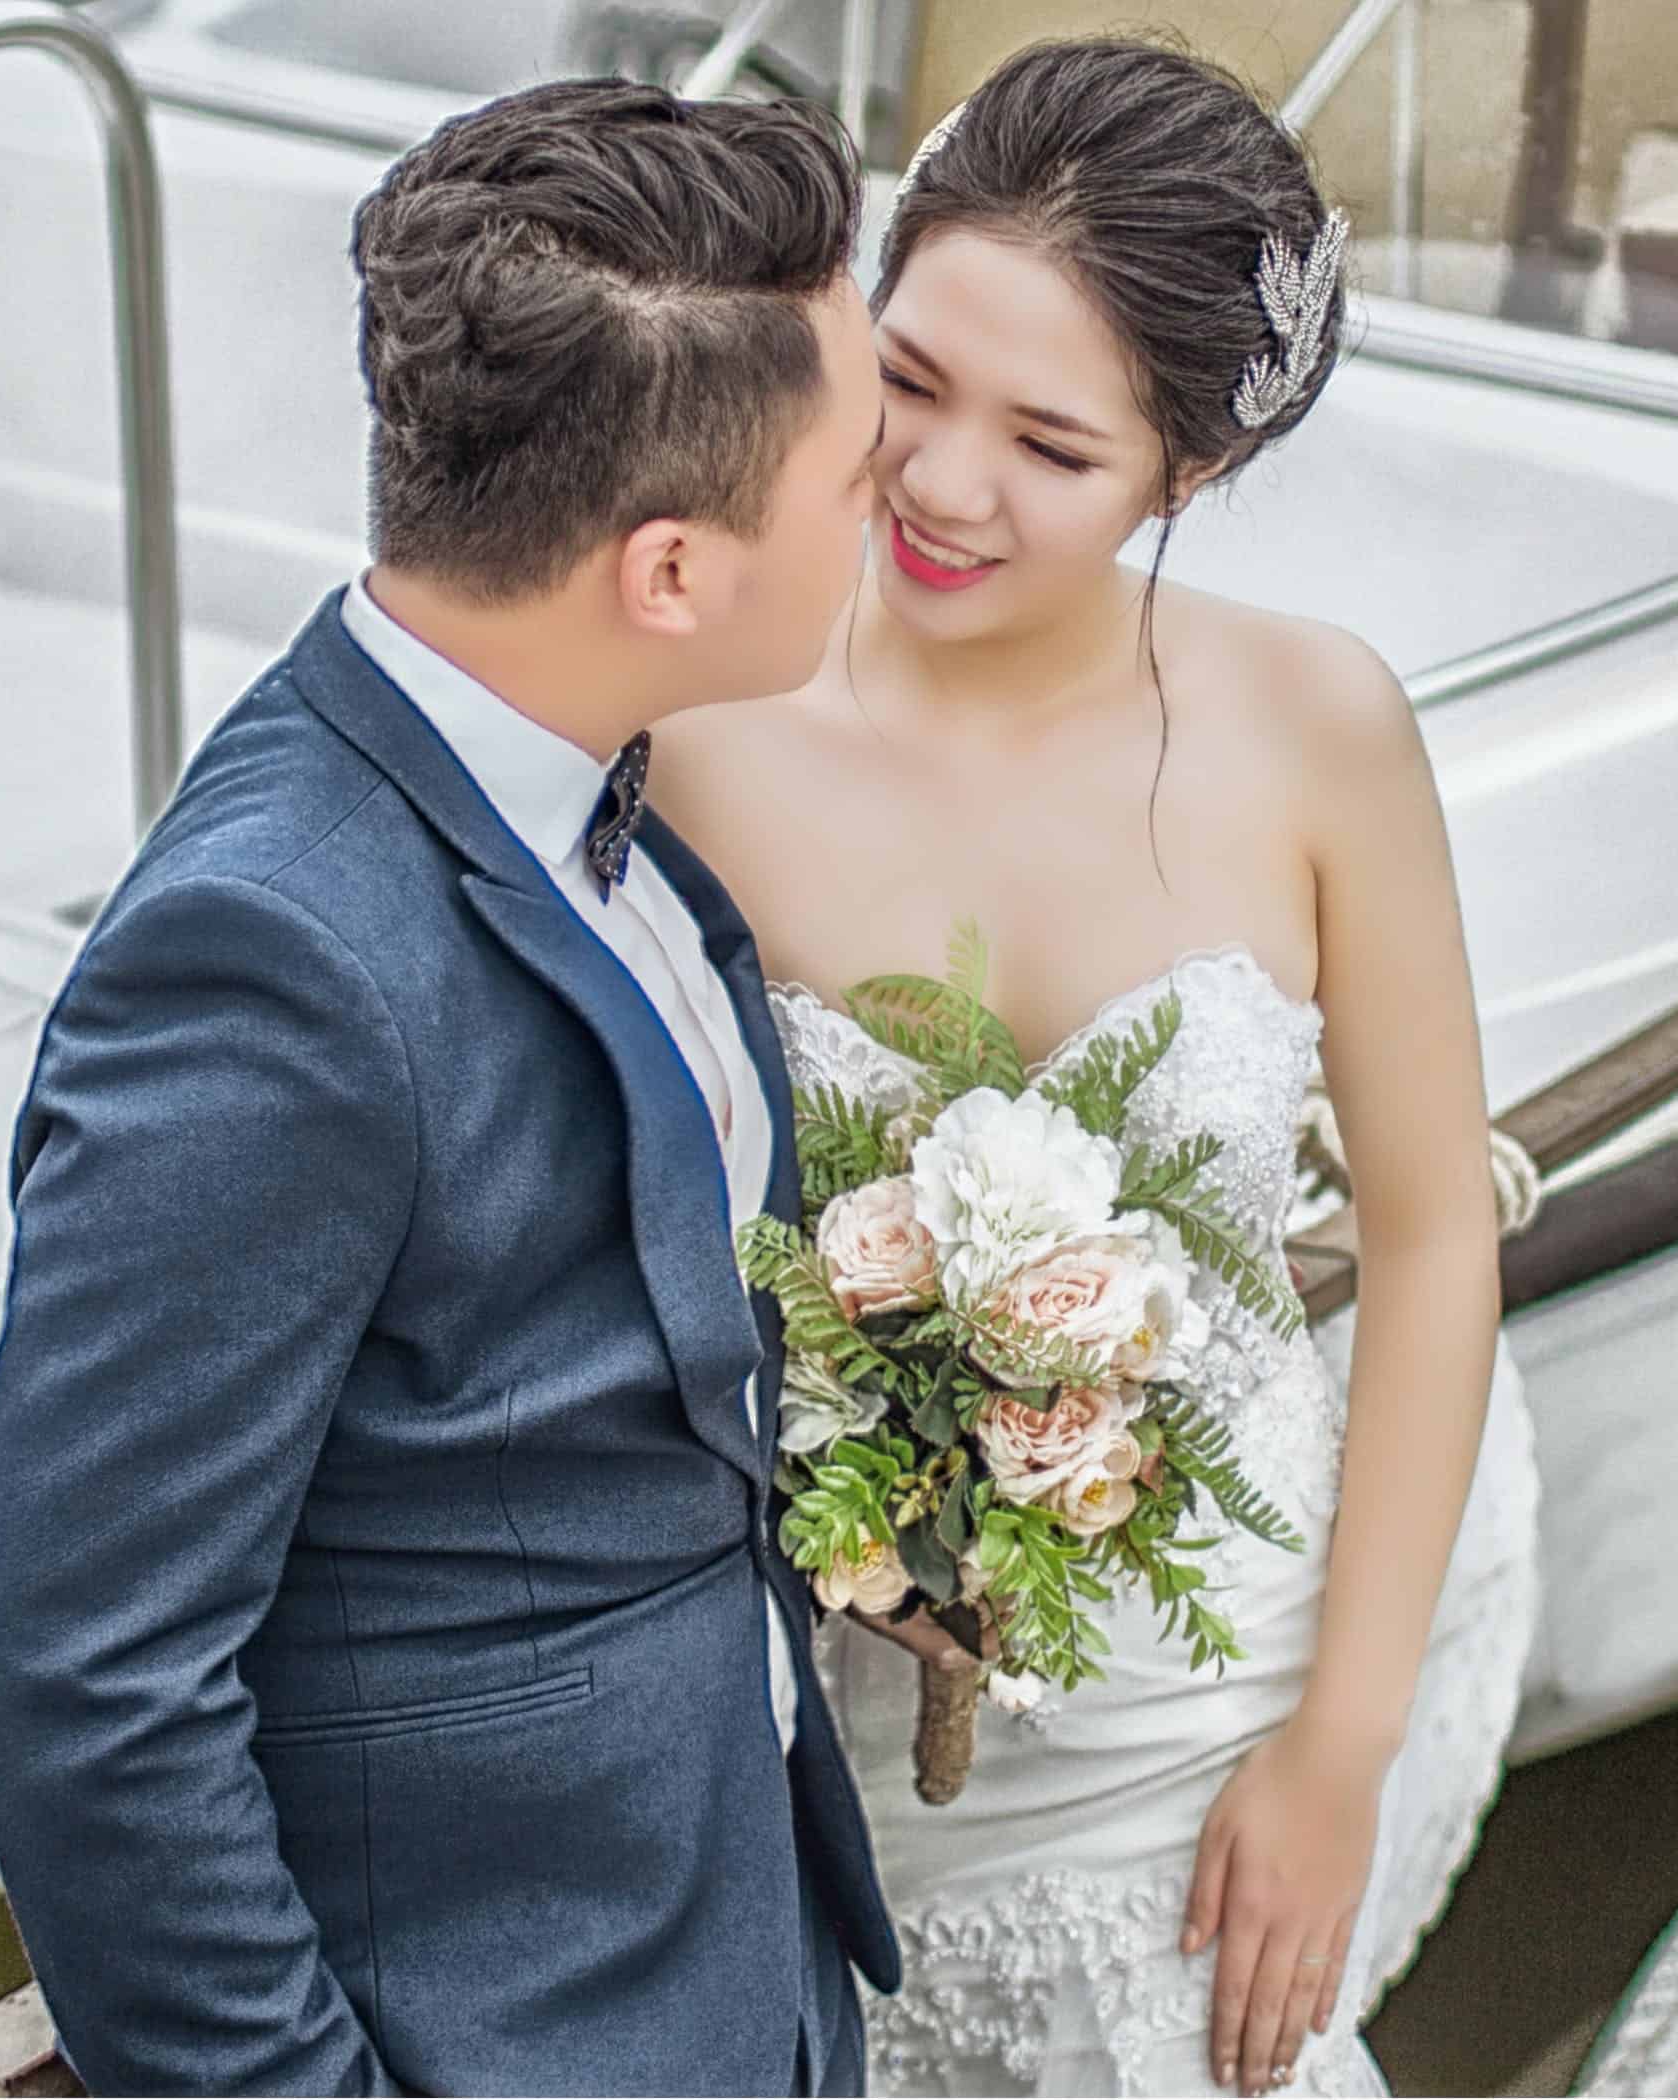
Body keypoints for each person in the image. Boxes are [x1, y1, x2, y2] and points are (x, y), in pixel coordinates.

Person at [0, 80, 902, 2095]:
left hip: (736, 1968)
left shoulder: (595, 771)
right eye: (855, 469)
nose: (887, 506)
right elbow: (85, 1683)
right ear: (667, 569)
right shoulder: (273, 967)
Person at [651, 36, 1543, 2099]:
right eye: (912, 381)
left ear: (1189, 474)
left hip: (1224, 1686)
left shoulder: (1317, 728)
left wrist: (1341, 1747)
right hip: (840, 1701)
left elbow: (1427, 1242)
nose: (942, 485)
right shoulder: (699, 717)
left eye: (1050, 446)